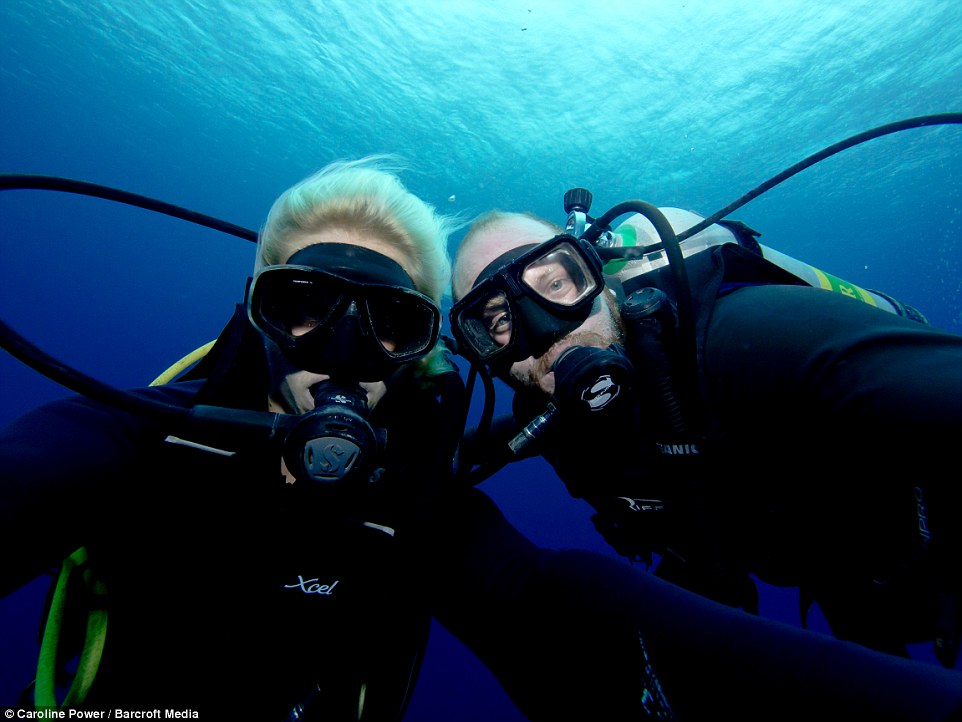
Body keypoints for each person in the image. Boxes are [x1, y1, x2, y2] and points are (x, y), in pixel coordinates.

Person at [3, 160, 962, 722]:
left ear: (424, 349)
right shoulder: (131, 438)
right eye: (303, 305)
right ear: (255, 315)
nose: (342, 355)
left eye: (386, 322)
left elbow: (561, 607)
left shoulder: (423, 511)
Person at [450, 203, 962, 672]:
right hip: (828, 578)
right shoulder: (546, 422)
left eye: (555, 283)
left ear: (597, 275)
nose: (544, 331)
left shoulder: (750, 336)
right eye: (498, 320)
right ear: (485, 357)